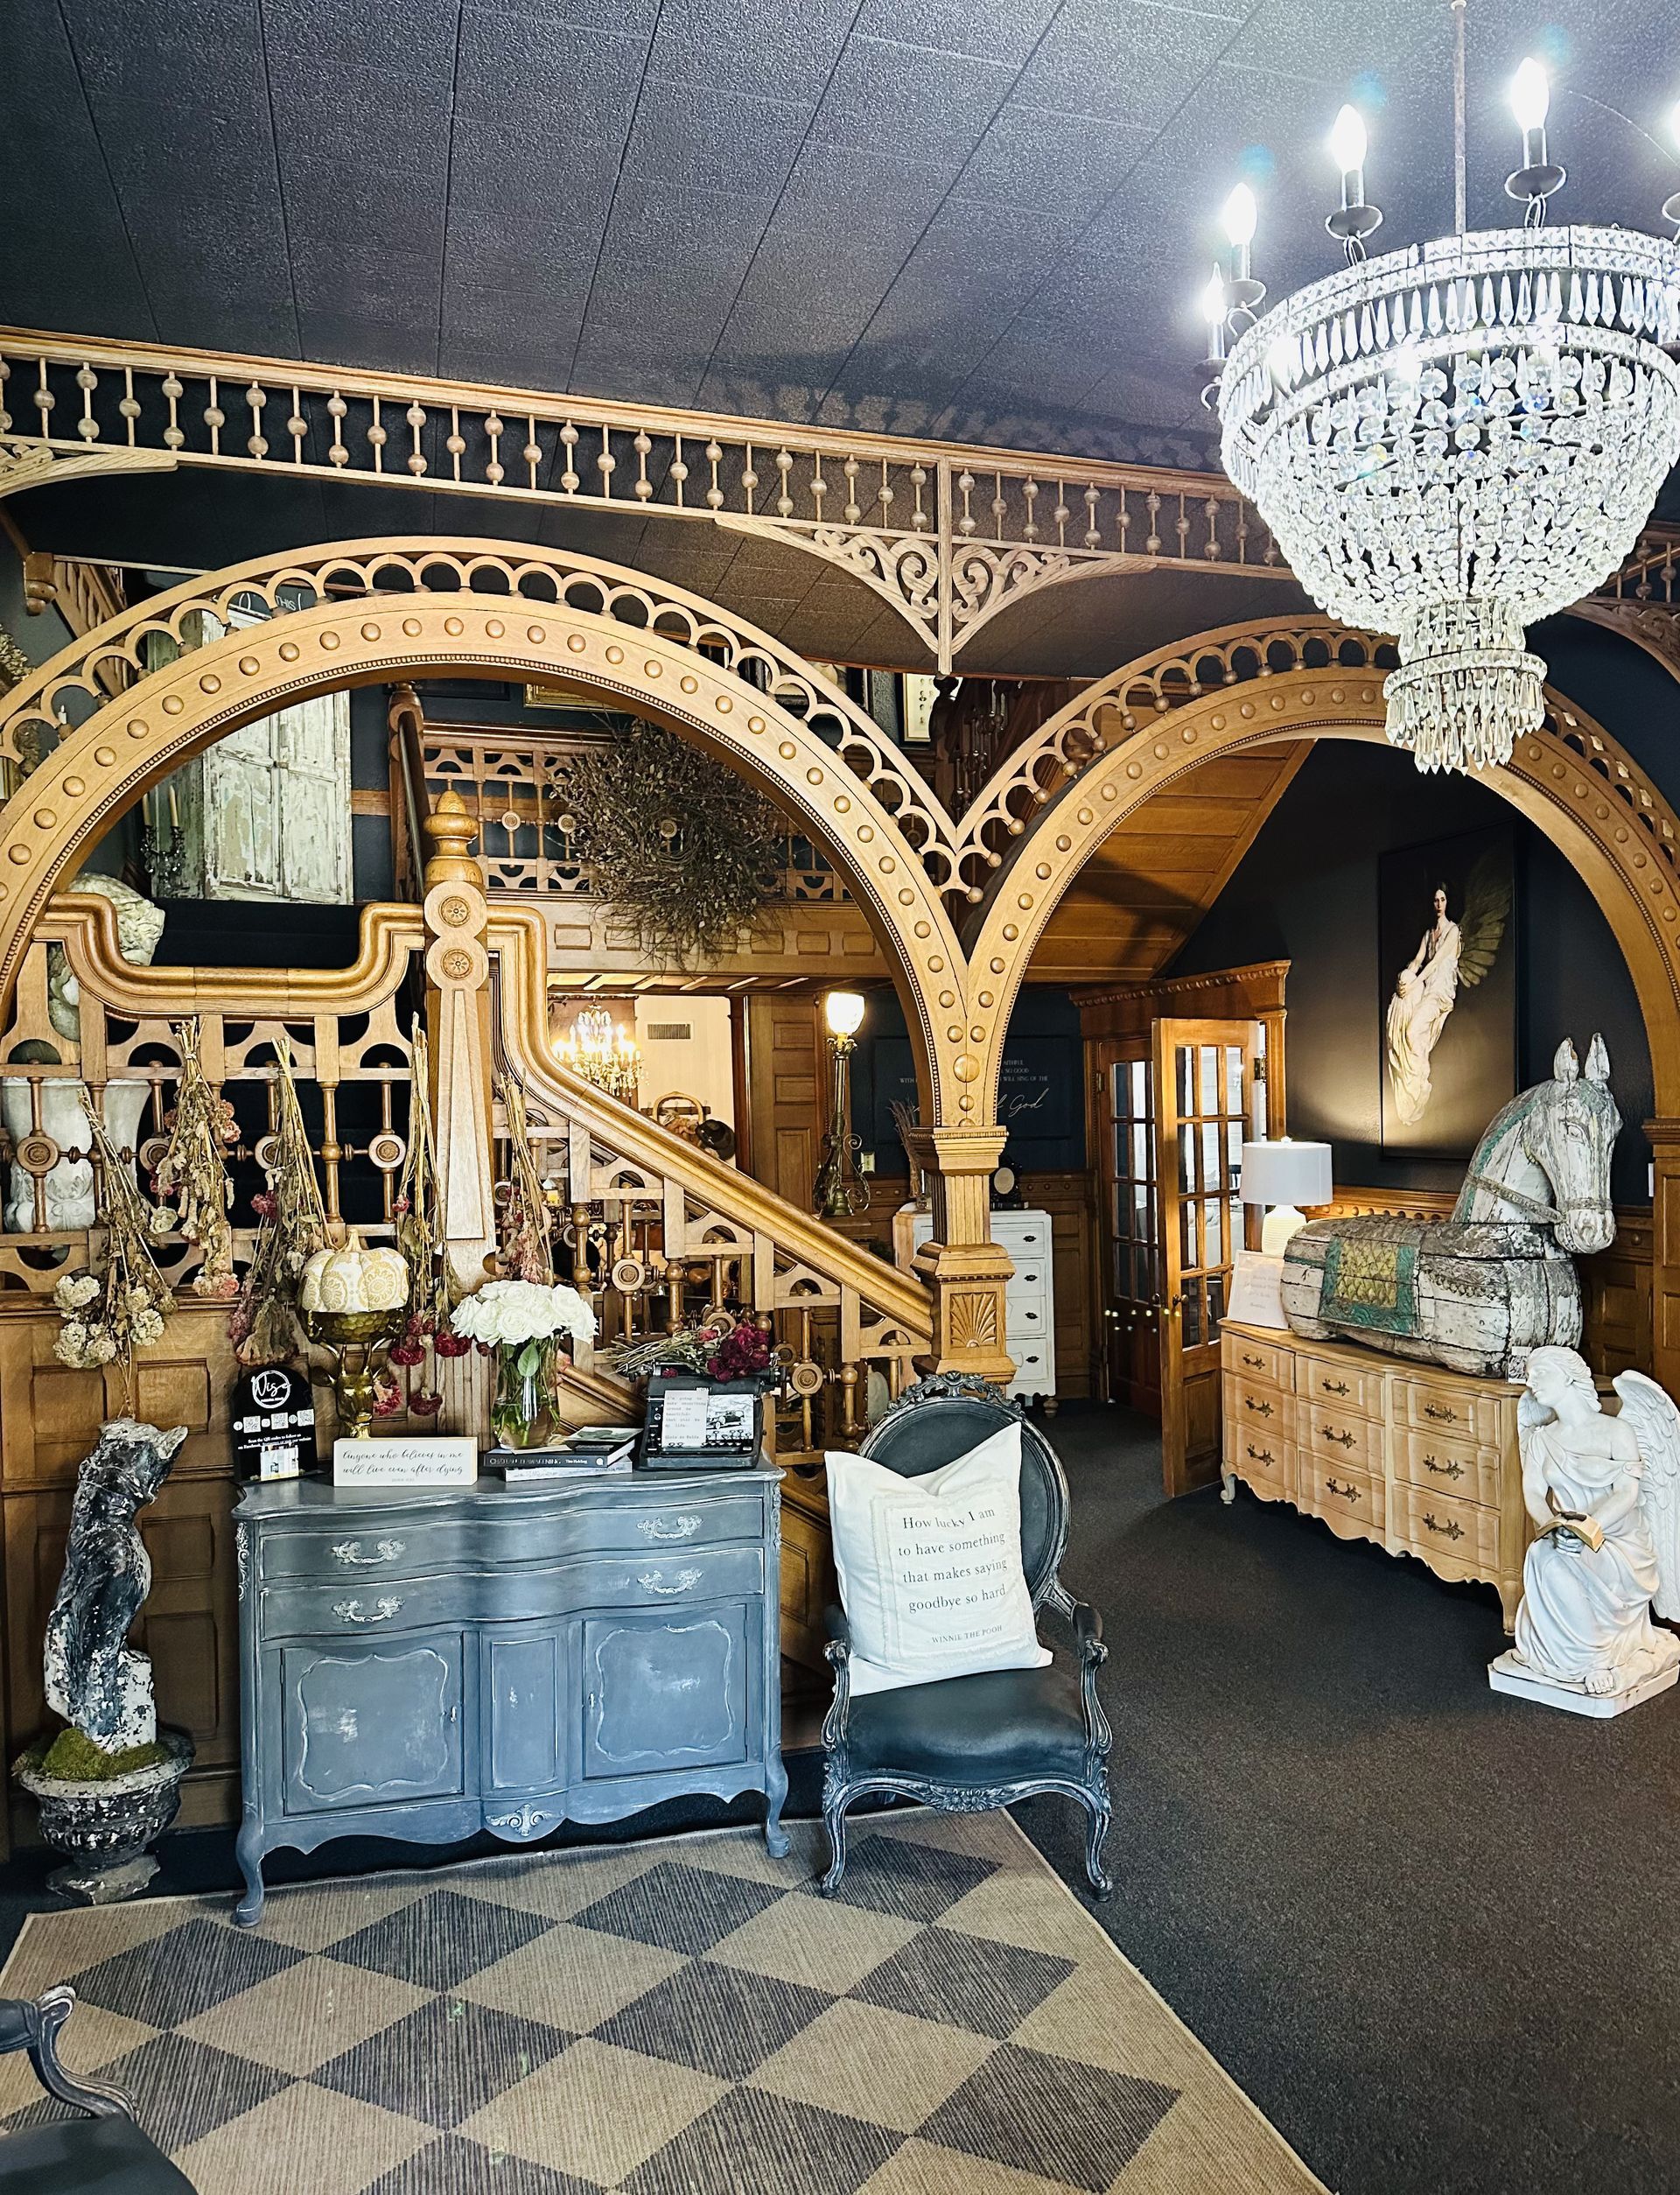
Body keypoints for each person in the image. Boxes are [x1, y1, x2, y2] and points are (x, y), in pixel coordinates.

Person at [1385, 882, 1460, 1125]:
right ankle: (1412, 1081)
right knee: (1405, 1012)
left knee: (1413, 1030)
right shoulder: (1429, 934)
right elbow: (1418, 960)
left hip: (1439, 992)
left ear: (1448, 902)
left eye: (1443, 900)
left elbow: (1436, 962)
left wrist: (1415, 984)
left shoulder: (1453, 932)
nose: (1439, 905)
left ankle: (1420, 1082)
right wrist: (1404, 979)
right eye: (1436, 900)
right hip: (1426, 988)